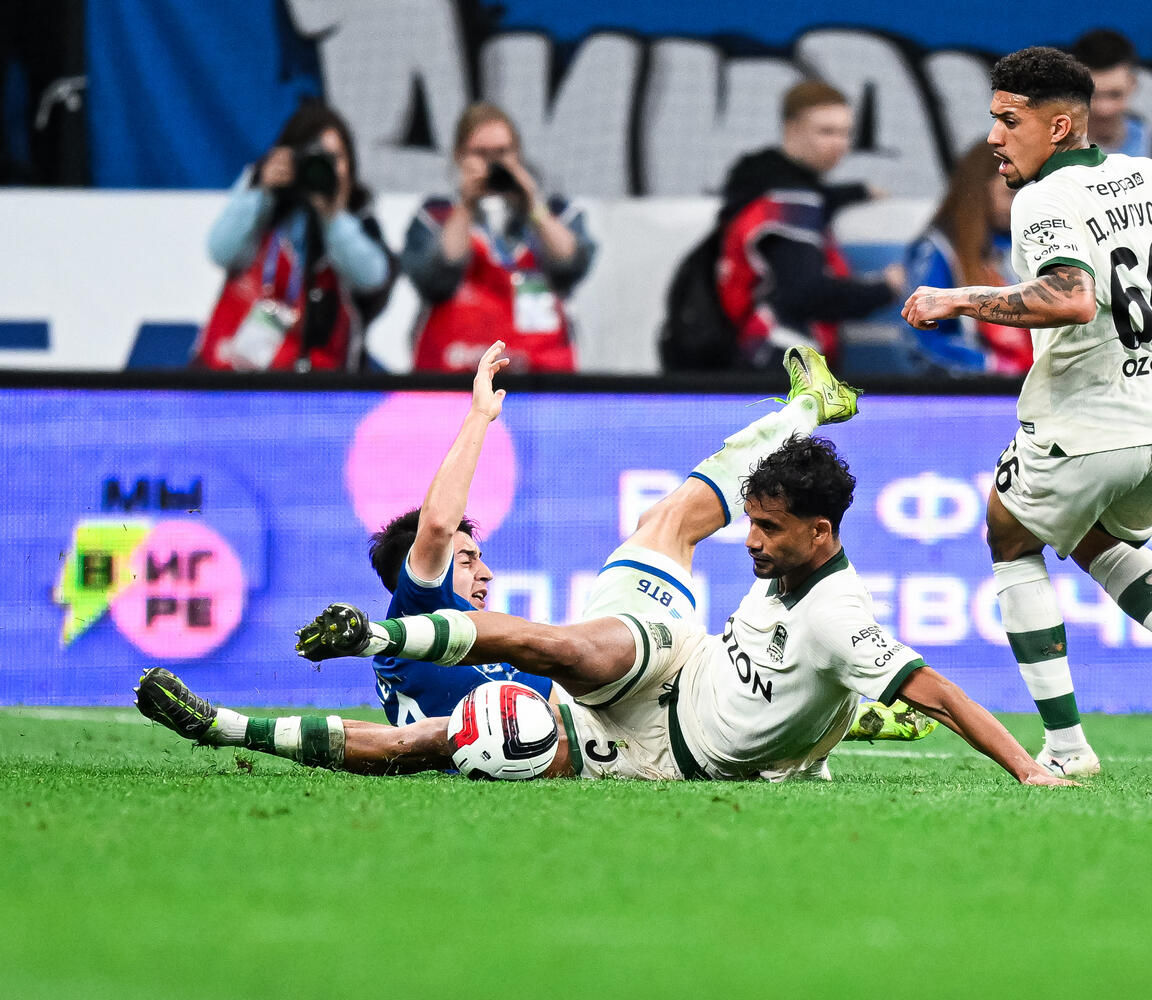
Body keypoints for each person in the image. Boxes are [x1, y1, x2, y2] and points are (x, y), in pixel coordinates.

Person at [137, 349, 1055, 785]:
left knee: (625, 572)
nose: (480, 569)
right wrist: (480, 418)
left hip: (645, 663)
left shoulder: (823, 598)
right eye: (468, 559)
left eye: (480, 557)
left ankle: (806, 408)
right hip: (589, 732)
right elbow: (393, 728)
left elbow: (513, 634)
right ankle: (847, 710)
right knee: (491, 704)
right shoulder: (424, 592)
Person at [901, 46, 1152, 777]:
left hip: (1089, 422)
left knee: (1009, 535)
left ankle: (1066, 749)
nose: (994, 137)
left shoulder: (1042, 199)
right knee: (1095, 538)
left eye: (1010, 121)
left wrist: (958, 298)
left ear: (1058, 127)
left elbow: (1069, 296)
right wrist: (1131, 333)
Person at [364, 340, 554, 726]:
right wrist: (480, 415)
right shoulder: (419, 608)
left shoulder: (486, 640)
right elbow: (437, 525)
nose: (487, 574)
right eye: (467, 561)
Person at [713, 81, 906, 370]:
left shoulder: (759, 187)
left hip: (752, 353)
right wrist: (885, 288)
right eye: (826, 131)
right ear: (792, 130)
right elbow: (805, 293)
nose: (840, 144)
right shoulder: (793, 200)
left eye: (846, 133)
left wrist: (856, 191)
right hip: (784, 361)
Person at [194, 101, 394, 371]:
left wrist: (333, 218)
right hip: (238, 380)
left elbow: (372, 278)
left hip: (322, 384)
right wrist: (260, 189)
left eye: (335, 159)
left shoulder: (359, 220)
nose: (322, 168)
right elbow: (220, 251)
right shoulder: (265, 208)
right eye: (312, 158)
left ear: (351, 163)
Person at [401, 103, 595, 374]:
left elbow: (572, 264)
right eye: (481, 154)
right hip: (453, 379)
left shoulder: (555, 212)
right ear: (459, 156)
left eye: (502, 152)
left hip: (539, 380)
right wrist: (467, 204)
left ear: (518, 154)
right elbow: (435, 276)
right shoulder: (435, 216)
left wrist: (533, 206)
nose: (493, 164)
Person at [904, 140, 1033, 375]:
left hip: (1024, 381)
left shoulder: (1019, 245)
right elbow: (925, 341)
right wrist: (993, 365)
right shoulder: (936, 250)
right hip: (962, 388)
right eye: (1010, 195)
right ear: (979, 192)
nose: (1020, 206)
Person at [1072, 29, 1152, 178]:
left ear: (1133, 85)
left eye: (1115, 94)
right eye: (1092, 95)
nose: (1104, 108)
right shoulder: (1051, 154)